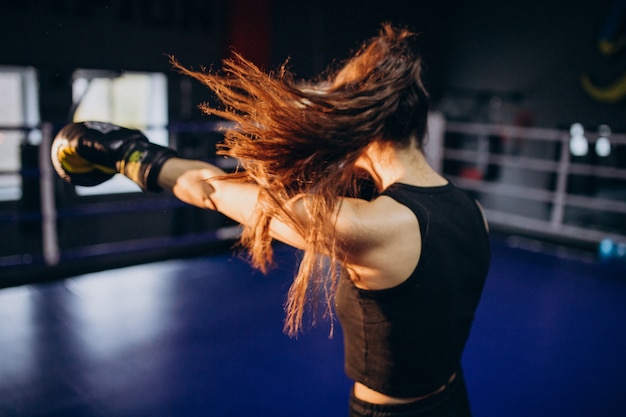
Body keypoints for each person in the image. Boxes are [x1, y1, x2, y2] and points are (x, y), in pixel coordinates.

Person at [51, 23, 491, 417]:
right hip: (453, 400)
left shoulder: (373, 228)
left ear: (364, 125)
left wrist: (131, 156)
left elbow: (212, 190)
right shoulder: (472, 212)